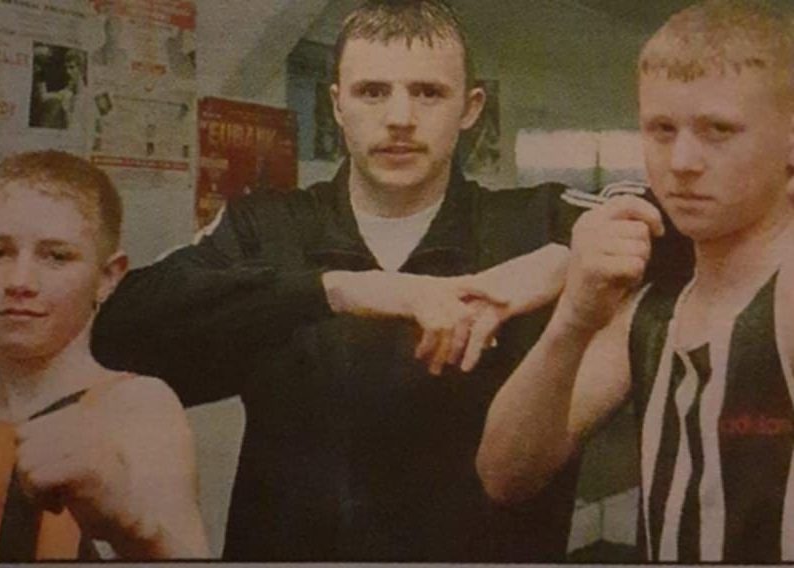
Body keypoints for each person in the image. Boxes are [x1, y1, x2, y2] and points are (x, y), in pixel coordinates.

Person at [92, 0, 688, 560]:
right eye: (372, 92)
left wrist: (558, 258)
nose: (399, 118)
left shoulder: (531, 222)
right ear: (336, 104)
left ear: (470, 109)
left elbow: (706, 221)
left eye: (428, 93)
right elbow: (121, 330)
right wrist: (345, 288)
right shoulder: (266, 227)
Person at [475, 0, 794, 562]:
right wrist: (575, 316)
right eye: (662, 130)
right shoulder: (655, 311)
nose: (683, 161)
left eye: (719, 130)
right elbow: (505, 474)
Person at [0, 151, 209, 560]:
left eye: (57, 257)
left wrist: (131, 521)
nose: (19, 281)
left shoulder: (136, 406)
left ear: (107, 277)